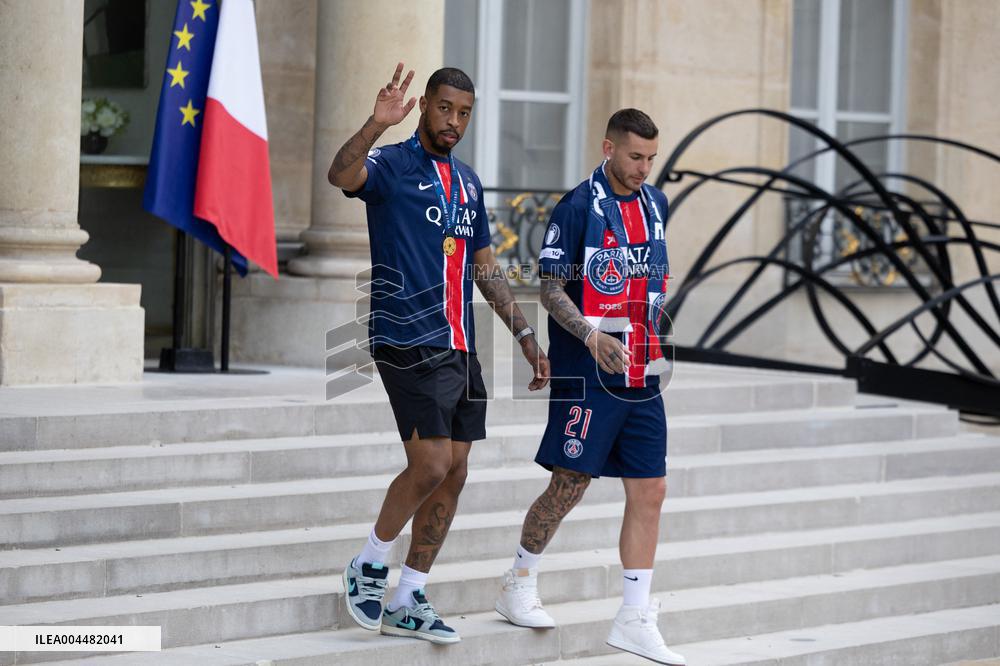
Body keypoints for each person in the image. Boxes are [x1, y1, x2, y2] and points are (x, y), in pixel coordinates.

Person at [327, 63, 550, 644]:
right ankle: (371, 561)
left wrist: (525, 335)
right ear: (425, 105)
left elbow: (483, 265)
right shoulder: (393, 165)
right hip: (404, 334)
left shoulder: (469, 184)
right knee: (428, 464)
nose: (454, 121)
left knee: (455, 471)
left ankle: (408, 597)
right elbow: (340, 174)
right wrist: (375, 125)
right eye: (445, 108)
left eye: (465, 113)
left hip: (459, 343)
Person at [494, 109, 684, 665]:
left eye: (651, 158)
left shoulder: (657, 205)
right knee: (570, 483)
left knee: (651, 489)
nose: (644, 168)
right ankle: (518, 580)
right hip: (587, 369)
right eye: (634, 157)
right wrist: (589, 333)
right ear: (608, 148)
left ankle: (633, 616)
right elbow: (549, 286)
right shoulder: (577, 207)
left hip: (643, 370)